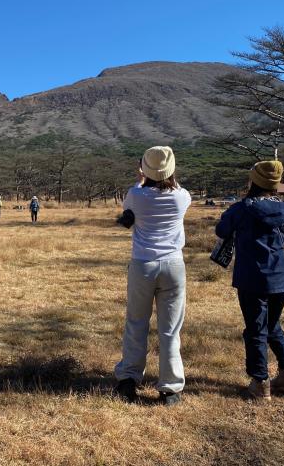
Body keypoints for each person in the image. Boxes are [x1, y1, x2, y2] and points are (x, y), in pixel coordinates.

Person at [215, 160, 284, 401]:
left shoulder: (242, 209)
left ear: (253, 181)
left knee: (255, 330)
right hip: (280, 278)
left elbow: (222, 230)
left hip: (251, 279)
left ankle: (260, 382)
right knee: (272, 326)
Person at [114, 146, 191, 406]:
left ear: (144, 169)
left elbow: (129, 214)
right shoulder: (182, 197)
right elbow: (175, 186)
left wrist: (142, 179)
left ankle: (129, 379)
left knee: (136, 322)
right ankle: (170, 389)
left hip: (143, 264)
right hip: (173, 265)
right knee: (170, 330)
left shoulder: (135, 195)